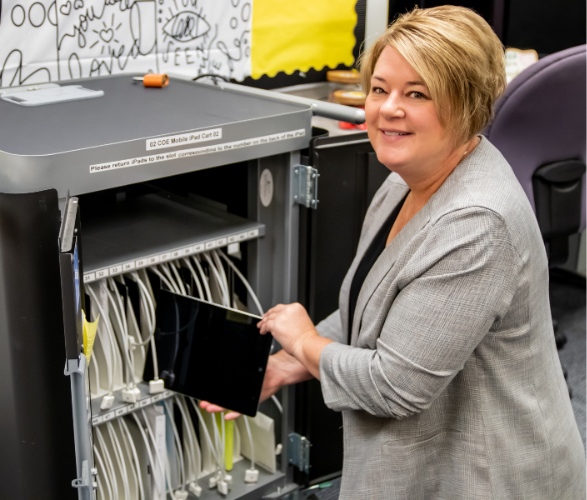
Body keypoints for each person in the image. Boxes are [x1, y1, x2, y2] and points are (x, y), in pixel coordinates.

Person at [201, 5, 586, 499]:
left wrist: (302, 342)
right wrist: (282, 367)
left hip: (494, 474)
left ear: (467, 104)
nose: (387, 108)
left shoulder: (476, 223)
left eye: (417, 93)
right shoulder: (407, 180)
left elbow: (392, 386)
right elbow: (369, 313)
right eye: (379, 89)